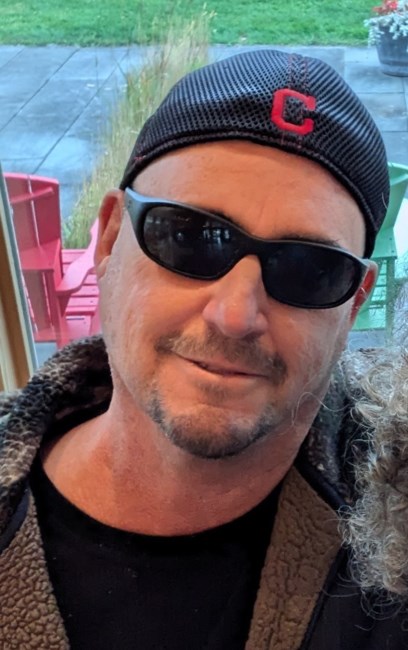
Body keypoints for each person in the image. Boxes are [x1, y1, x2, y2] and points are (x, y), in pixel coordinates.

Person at [0, 47, 406, 649]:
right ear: (109, 239)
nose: (235, 315)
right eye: (191, 238)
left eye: (308, 269)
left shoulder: (392, 515)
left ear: (352, 305)